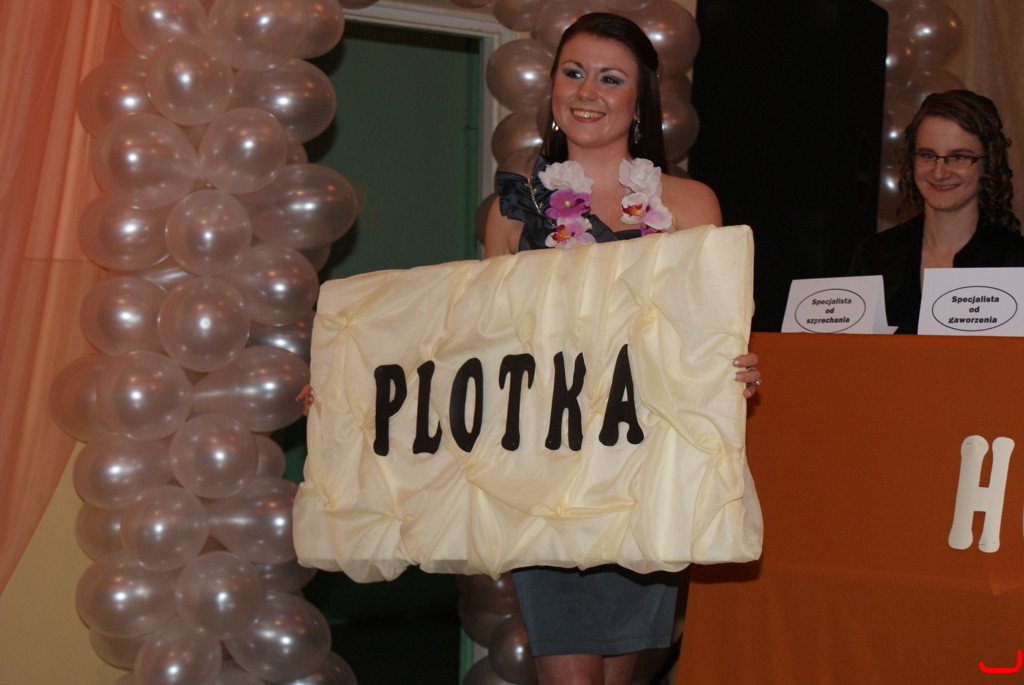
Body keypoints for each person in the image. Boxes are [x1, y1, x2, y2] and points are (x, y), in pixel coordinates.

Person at [483, 13, 760, 685]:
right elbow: (479, 344)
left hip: (646, 468)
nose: (587, 92)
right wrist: (354, 385)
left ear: (640, 103)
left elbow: (708, 329)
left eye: (611, 79)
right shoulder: (513, 212)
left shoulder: (690, 205)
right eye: (573, 73)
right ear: (553, 87)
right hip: (546, 469)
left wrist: (733, 369)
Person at [849, 89, 1024, 333]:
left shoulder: (1015, 261)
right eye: (928, 155)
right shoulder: (874, 257)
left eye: (959, 156)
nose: (940, 173)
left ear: (989, 163)